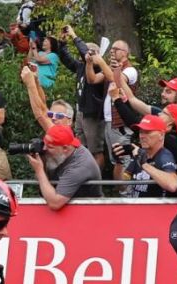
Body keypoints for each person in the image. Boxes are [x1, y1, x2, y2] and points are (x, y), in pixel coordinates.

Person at [86, 40, 138, 182]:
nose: (112, 51)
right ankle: (121, 191)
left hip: (121, 123)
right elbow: (92, 79)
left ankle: (128, 192)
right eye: (112, 48)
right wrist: (89, 63)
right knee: (116, 161)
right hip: (110, 122)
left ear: (125, 53)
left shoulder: (130, 70)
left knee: (124, 160)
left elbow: (117, 81)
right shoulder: (110, 68)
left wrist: (101, 62)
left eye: (116, 49)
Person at [58, 25, 106, 168]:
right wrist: (62, 43)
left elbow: (84, 52)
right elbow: (66, 59)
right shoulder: (80, 66)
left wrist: (74, 35)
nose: (85, 54)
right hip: (81, 111)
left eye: (89, 51)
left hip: (92, 113)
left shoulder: (98, 68)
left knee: (95, 150)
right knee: (81, 148)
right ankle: (84, 175)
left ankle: (97, 178)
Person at [26, 125, 102, 209]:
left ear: (65, 148)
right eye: (44, 144)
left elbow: (55, 203)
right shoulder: (63, 153)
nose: (44, 149)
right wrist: (43, 162)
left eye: (50, 147)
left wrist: (39, 170)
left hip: (88, 210)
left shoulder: (79, 167)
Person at [125, 115, 177, 198]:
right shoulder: (140, 153)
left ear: (161, 135)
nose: (142, 136)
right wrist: (118, 163)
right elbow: (122, 186)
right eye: (141, 132)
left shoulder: (164, 156)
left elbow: (172, 185)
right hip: (135, 204)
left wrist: (144, 164)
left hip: (153, 206)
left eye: (147, 132)